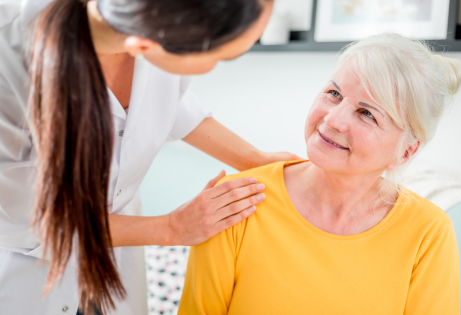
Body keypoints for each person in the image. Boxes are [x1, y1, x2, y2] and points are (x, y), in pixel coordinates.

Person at [0, 0, 300, 314]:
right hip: (28, 274)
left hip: (110, 268)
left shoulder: (146, 26)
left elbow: (170, 104)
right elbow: (34, 222)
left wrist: (255, 160)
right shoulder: (10, 66)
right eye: (223, 56)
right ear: (145, 44)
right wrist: (171, 228)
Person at [178, 33, 461, 315]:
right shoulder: (237, 200)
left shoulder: (428, 232)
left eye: (367, 114)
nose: (333, 119)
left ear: (406, 152)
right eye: (334, 94)